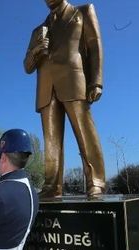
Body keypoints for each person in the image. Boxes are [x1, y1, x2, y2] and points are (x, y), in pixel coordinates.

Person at [24, 0, 106, 198]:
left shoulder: (83, 12)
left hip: (74, 80)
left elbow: (95, 45)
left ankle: (95, 181)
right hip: (46, 88)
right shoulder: (38, 30)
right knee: (51, 141)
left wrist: (96, 81)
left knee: (85, 133)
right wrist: (36, 51)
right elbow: (27, 66)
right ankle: (52, 186)